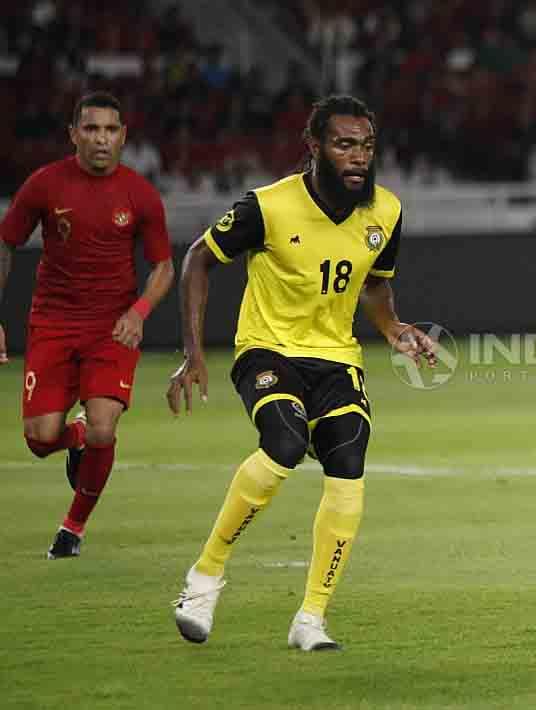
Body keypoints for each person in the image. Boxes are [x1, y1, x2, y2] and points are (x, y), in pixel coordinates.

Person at [166, 95, 437, 651]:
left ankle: (310, 618)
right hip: (267, 350)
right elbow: (198, 257)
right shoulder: (267, 207)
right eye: (344, 144)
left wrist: (392, 330)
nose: (358, 156)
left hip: (336, 356)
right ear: (313, 147)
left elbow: (376, 284)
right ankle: (205, 576)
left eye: (365, 145)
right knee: (285, 442)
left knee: (349, 457)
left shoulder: (385, 211)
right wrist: (194, 351)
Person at [0, 91, 175, 559]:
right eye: (92, 129)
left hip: (111, 329)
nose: (102, 138)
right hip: (52, 323)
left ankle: (72, 529)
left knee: (104, 428)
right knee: (40, 440)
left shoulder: (139, 194)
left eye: (111, 130)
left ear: (123, 136)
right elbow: (5, 244)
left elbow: (164, 268)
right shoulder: (43, 185)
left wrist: (138, 313)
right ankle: (73, 436)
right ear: (73, 134)